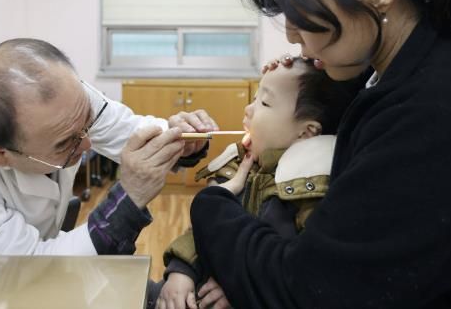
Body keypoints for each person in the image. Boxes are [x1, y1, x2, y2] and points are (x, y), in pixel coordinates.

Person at [189, 0, 451, 308]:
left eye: (299, 11)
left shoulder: (435, 115)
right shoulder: (412, 68)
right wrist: (310, 80)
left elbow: (305, 291)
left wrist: (212, 206)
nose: (291, 35)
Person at [0, 38, 216, 255]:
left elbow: (130, 132)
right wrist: (128, 197)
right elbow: (35, 265)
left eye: (87, 121)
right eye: (66, 143)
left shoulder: (65, 102)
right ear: (0, 155)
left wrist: (182, 140)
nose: (88, 143)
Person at [153, 58, 360, 309]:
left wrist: (242, 285)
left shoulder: (312, 190)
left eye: (265, 103)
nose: (248, 109)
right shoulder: (238, 165)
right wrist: (181, 271)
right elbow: (202, 231)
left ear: (306, 132)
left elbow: (301, 271)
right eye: (254, 98)